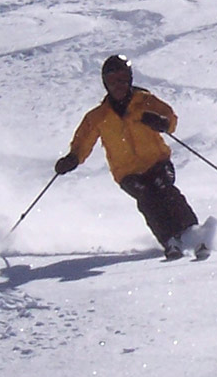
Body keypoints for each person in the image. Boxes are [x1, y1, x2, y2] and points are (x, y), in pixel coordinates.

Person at [54, 55, 205, 260]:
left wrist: (161, 122)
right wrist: (72, 158)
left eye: (123, 79)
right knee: (148, 198)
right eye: (112, 81)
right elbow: (83, 141)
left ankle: (193, 235)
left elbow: (170, 118)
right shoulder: (98, 116)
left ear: (130, 79)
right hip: (128, 173)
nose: (118, 85)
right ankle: (170, 240)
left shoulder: (144, 101)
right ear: (105, 84)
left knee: (165, 190)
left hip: (157, 162)